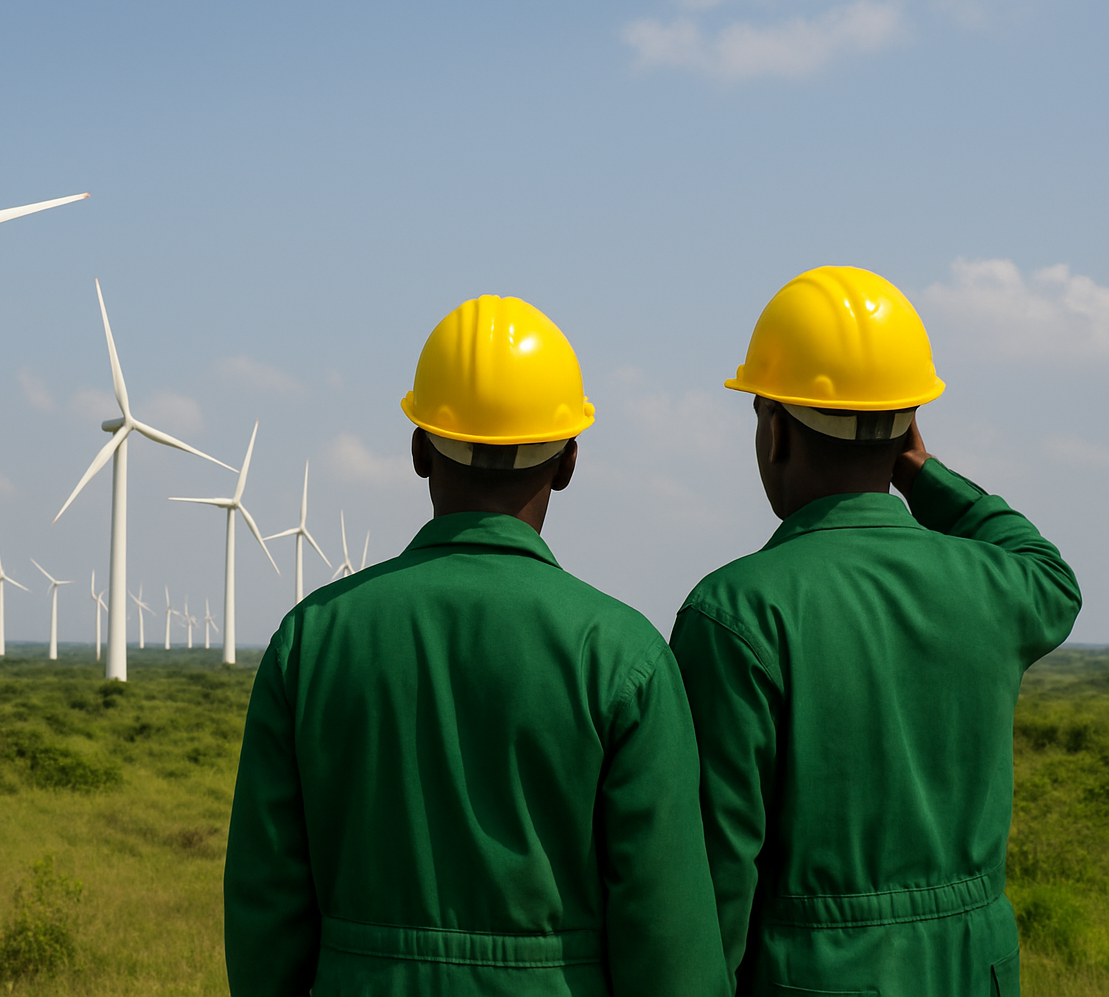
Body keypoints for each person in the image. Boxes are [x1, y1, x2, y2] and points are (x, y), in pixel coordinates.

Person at [224, 295, 730, 997]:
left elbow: (264, 918)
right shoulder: (625, 658)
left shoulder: (310, 642)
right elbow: (669, 946)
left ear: (419, 451)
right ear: (568, 463)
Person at [671, 266, 1081, 996]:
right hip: (974, 971)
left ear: (777, 430)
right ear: (907, 428)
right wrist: (922, 474)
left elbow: (718, 881)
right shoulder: (995, 585)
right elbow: (1050, 572)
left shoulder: (736, 612)